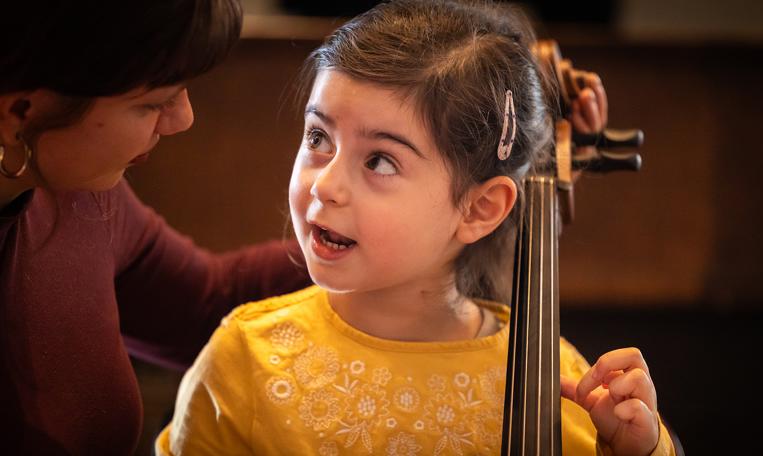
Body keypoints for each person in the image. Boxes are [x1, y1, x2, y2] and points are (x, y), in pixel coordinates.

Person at [155, 1, 675, 455]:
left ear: (479, 209)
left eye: (379, 161)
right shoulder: (245, 360)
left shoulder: (560, 382)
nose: (326, 186)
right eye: (318, 137)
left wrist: (641, 449)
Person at [0, 1, 312, 454]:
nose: (182, 119)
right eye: (152, 103)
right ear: (19, 113)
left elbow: (207, 304)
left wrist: (365, 249)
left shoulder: (76, 188)